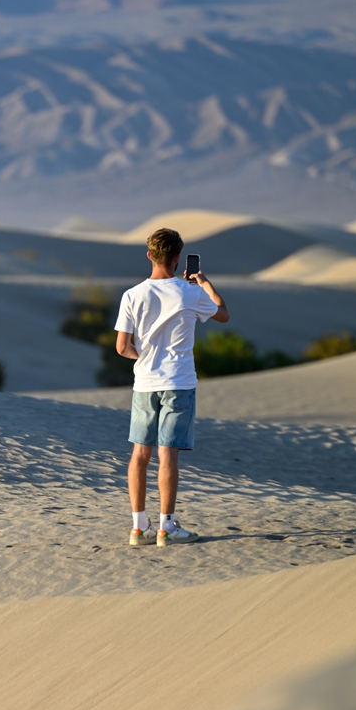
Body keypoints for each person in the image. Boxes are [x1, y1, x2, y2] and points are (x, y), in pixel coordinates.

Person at [115, 228, 229, 547]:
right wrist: (204, 283)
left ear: (150, 255)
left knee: (140, 454)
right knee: (169, 456)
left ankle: (139, 528)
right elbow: (223, 314)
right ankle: (166, 527)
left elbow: (122, 347)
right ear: (178, 259)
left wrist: (147, 356)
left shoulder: (131, 295)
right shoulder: (189, 293)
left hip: (145, 383)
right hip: (178, 383)